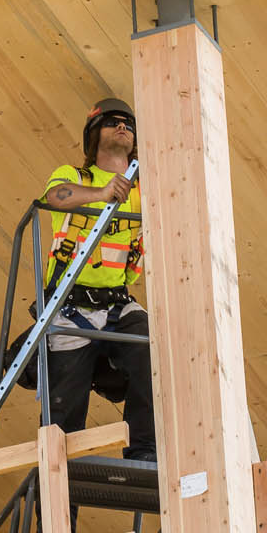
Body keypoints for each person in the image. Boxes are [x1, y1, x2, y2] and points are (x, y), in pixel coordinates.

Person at [39, 97, 156, 462]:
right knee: (64, 414)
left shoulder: (144, 193)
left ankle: (145, 454)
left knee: (151, 355)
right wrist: (104, 194)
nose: (123, 126)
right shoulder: (75, 177)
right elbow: (55, 197)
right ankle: (58, 510)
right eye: (112, 121)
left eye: (128, 123)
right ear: (94, 135)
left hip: (118, 302)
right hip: (69, 306)